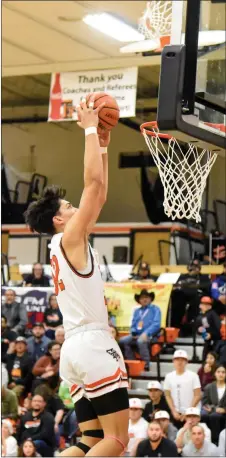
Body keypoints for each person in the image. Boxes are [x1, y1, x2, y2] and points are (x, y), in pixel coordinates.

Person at [24, 96, 129, 457]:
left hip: (74, 348)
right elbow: (92, 186)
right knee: (117, 440)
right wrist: (87, 129)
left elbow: (97, 196)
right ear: (58, 219)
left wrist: (102, 146)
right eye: (68, 207)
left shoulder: (63, 242)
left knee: (90, 440)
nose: (75, 207)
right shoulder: (69, 237)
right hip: (92, 344)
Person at [119, 289, 161, 371]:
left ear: (150, 299)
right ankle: (132, 362)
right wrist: (134, 332)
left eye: (146, 297)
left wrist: (146, 333)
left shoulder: (155, 309)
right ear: (139, 300)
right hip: (137, 334)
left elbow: (156, 324)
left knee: (141, 341)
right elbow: (133, 324)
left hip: (150, 335)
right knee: (122, 340)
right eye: (142, 298)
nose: (144, 299)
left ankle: (146, 364)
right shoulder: (137, 311)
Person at [164, 350, 201, 428]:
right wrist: (173, 411)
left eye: (182, 360)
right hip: (176, 413)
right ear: (173, 361)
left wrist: (188, 412)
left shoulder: (193, 375)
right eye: (177, 359)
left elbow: (197, 395)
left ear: (186, 362)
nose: (179, 362)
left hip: (192, 413)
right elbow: (167, 395)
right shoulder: (168, 376)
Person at [201, 365, 226, 444]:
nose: (220, 374)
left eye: (223, 372)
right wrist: (214, 409)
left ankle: (216, 441)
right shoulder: (209, 387)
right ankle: (205, 439)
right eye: (218, 372)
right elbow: (205, 403)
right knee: (205, 415)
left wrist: (224, 410)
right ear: (215, 373)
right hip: (211, 411)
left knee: (214, 416)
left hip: (224, 413)